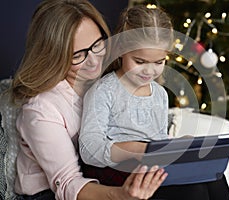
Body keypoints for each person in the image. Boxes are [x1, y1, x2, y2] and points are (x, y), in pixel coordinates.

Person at [10, 0, 168, 199]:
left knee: (207, 183)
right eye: (78, 55)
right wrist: (122, 195)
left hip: (103, 176)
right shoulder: (41, 109)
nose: (94, 61)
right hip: (52, 194)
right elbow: (68, 183)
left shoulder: (109, 83)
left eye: (97, 45)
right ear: (54, 55)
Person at [78, 5, 173, 186]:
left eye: (159, 62)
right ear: (122, 50)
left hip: (148, 169)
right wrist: (138, 149)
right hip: (114, 170)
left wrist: (176, 148)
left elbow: (160, 140)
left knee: (213, 180)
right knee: (194, 192)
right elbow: (89, 150)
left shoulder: (160, 94)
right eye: (139, 61)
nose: (149, 70)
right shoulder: (104, 91)